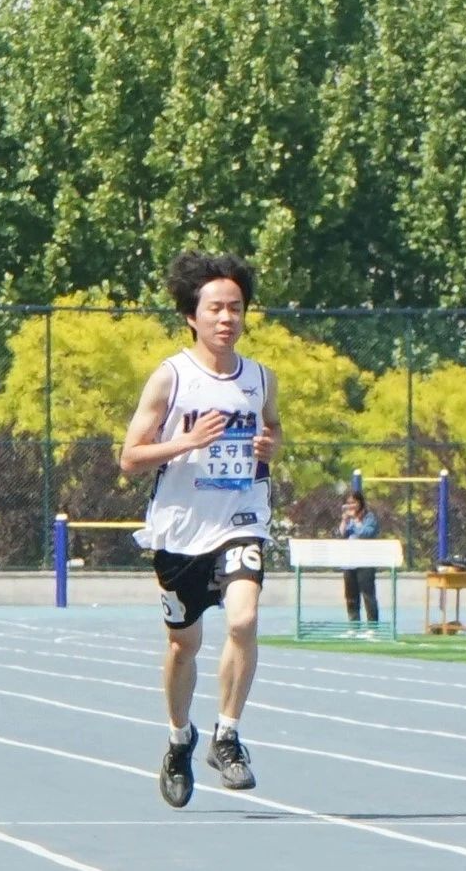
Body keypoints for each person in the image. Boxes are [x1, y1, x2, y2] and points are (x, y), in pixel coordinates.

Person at [120, 250, 281, 809]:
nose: (226, 318)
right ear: (192, 315)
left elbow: (274, 430)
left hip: (241, 518)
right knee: (183, 645)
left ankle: (227, 735)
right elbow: (129, 457)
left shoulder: (260, 379)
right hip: (180, 531)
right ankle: (178, 738)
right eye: (215, 308)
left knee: (243, 619)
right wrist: (186, 442)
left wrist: (270, 445)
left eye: (235, 308)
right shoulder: (171, 378)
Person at [337, 490, 381, 626]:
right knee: (351, 596)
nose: (351, 506)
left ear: (360, 503)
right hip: (349, 561)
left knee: (368, 595)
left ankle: (372, 627)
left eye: (354, 502)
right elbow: (342, 533)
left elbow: (366, 533)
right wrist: (345, 520)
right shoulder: (349, 519)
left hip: (365, 561)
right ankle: (354, 626)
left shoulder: (369, 517)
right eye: (348, 503)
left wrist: (356, 521)